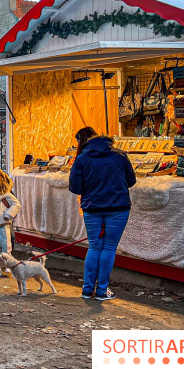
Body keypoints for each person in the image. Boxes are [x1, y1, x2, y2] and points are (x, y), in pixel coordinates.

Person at [69, 127, 136, 301]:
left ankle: (87, 289)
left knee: (94, 247)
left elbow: (75, 187)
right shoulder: (120, 156)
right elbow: (131, 181)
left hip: (92, 208)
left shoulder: (82, 158)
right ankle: (102, 290)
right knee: (109, 247)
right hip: (118, 208)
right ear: (109, 143)